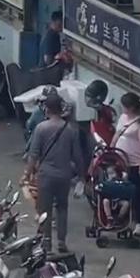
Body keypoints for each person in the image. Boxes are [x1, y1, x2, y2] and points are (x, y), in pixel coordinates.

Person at [22, 93, 82, 253]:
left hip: (46, 175)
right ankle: (61, 241)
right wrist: (82, 177)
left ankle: (46, 241)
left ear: (46, 109)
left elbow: (33, 154)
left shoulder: (41, 128)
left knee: (45, 209)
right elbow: (77, 155)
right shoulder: (70, 130)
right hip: (64, 175)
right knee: (62, 208)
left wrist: (28, 174)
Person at [111, 92, 140, 236]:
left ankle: (139, 223)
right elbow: (117, 134)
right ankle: (123, 218)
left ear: (131, 107)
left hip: (137, 163)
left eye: (124, 107)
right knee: (123, 190)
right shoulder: (123, 118)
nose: (123, 109)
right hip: (122, 161)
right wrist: (111, 149)